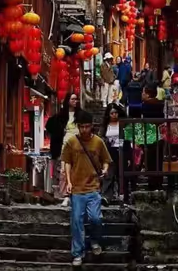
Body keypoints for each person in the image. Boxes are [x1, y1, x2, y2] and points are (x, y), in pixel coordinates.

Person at [61, 109, 111, 266]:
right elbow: (67, 162)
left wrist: (105, 170)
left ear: (92, 126)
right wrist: (69, 182)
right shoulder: (71, 142)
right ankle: (77, 253)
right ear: (78, 126)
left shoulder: (98, 142)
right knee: (76, 221)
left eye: (87, 126)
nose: (84, 129)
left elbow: (106, 160)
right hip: (77, 189)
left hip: (93, 187)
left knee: (96, 218)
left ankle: (95, 241)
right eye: (81, 126)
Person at [46, 92, 82, 201]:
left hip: (78, 145)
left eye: (76, 99)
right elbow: (50, 127)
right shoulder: (60, 116)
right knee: (63, 169)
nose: (75, 101)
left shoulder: (80, 115)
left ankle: (76, 192)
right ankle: (64, 193)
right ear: (68, 101)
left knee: (76, 169)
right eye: (72, 99)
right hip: (64, 145)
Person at [101, 103, 125, 200]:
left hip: (121, 150)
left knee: (121, 173)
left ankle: (122, 194)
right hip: (109, 150)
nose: (114, 115)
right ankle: (107, 196)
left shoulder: (122, 123)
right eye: (112, 113)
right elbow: (102, 137)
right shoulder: (106, 125)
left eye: (116, 112)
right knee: (109, 173)